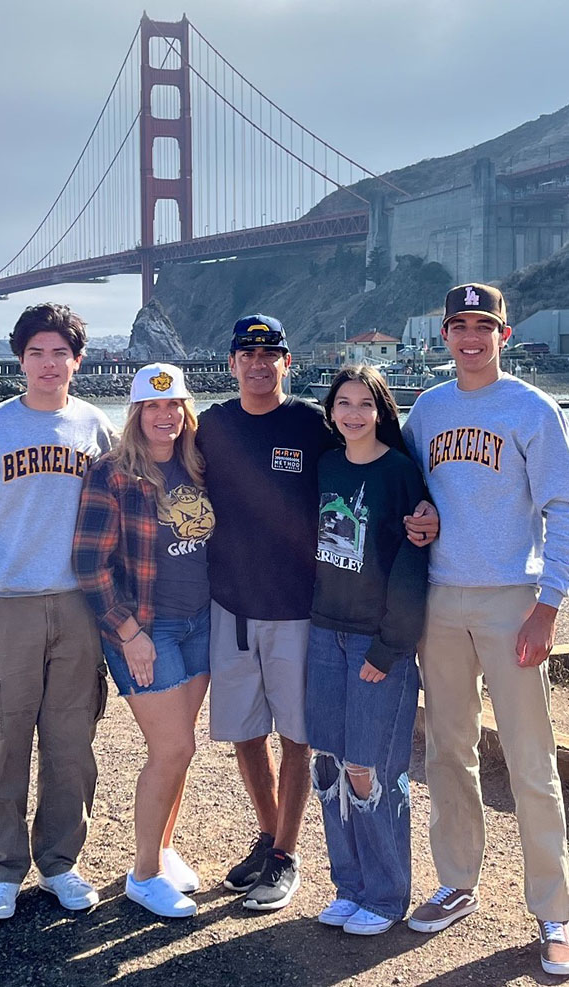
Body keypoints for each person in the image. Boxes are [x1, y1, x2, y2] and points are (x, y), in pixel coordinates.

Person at [196, 314, 438, 911]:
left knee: (302, 737)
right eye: (246, 354)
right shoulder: (210, 428)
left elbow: (376, 465)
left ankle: (288, 854)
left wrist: (424, 512)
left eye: (270, 353)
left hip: (304, 611)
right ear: (231, 363)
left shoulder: (312, 427)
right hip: (231, 606)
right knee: (248, 734)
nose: (258, 363)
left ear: (287, 362)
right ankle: (270, 837)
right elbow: (160, 470)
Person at [403, 283, 569, 976]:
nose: (469, 337)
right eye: (457, 325)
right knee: (447, 750)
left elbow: (562, 508)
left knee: (530, 762)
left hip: (510, 599)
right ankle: (456, 880)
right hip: (439, 600)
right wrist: (416, 521)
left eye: (482, 325)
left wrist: (547, 605)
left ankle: (554, 910)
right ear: (442, 334)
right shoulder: (427, 410)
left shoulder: (532, 409)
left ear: (503, 334)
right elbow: (410, 495)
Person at [0, 303, 115, 921]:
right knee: (3, 742)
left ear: (78, 360)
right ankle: (2, 871)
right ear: (21, 359)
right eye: (36, 352)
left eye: (60, 352)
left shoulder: (95, 427)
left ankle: (62, 863)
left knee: (72, 745)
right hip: (4, 606)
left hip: (78, 607)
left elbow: (121, 510)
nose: (49, 363)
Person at [73, 363, 214, 920]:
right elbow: (89, 565)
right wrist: (129, 634)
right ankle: (143, 874)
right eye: (153, 407)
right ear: (136, 413)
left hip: (200, 622)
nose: (165, 416)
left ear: (185, 410)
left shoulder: (198, 465)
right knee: (173, 748)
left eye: (174, 406)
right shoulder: (112, 472)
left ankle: (161, 848)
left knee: (181, 748)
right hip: (146, 630)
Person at [306, 365, 427, 935]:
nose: (353, 414)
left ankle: (385, 895)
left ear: (381, 410)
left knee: (369, 768)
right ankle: (348, 886)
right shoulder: (327, 465)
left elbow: (411, 566)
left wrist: (390, 646)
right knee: (328, 763)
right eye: (342, 403)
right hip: (323, 634)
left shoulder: (400, 473)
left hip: (376, 642)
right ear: (331, 411)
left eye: (364, 404)